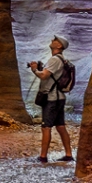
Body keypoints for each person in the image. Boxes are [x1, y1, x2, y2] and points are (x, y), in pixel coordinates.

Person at [28, 36, 74, 164]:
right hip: (59, 97)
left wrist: (35, 70)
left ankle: (43, 157)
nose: (52, 41)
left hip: (51, 98)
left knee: (46, 127)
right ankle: (68, 155)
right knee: (60, 126)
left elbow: (44, 76)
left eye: (55, 40)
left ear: (59, 46)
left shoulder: (54, 60)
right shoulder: (62, 60)